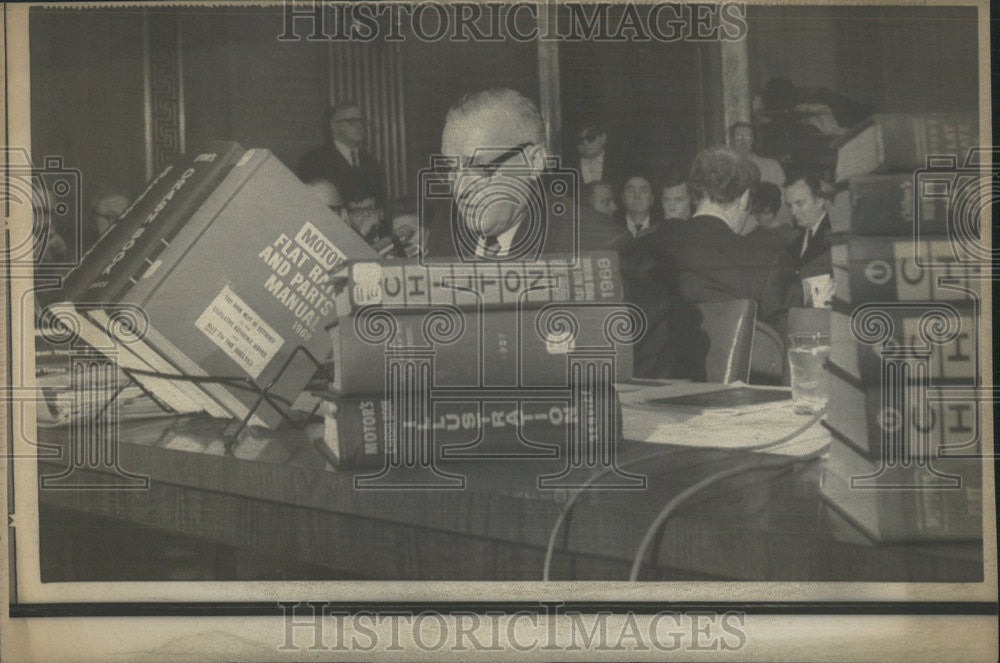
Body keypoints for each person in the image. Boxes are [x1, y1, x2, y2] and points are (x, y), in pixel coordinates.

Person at [649, 146, 797, 330]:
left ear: (696, 195)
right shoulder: (766, 261)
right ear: (744, 198)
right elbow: (788, 340)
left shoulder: (651, 245)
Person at [426, 88, 574, 261]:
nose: (461, 190)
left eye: (478, 167)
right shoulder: (442, 236)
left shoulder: (588, 243)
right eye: (450, 168)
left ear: (535, 162)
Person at [297, 101, 385, 205]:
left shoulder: (371, 161)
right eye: (351, 121)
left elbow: (382, 202)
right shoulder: (313, 161)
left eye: (360, 120)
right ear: (334, 127)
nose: (359, 126)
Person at [785, 172, 834, 308]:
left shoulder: (835, 237)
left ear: (819, 200)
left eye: (799, 204)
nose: (793, 212)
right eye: (789, 206)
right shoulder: (795, 243)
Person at [729, 121, 786, 186]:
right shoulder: (726, 168)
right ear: (732, 140)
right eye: (738, 137)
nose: (743, 142)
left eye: (748, 137)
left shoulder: (771, 167)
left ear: (753, 140)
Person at [569, 122, 623, 188]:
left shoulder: (620, 164)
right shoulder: (568, 167)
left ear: (603, 138)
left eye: (591, 137)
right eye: (580, 140)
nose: (585, 143)